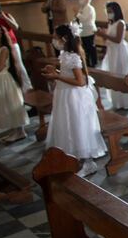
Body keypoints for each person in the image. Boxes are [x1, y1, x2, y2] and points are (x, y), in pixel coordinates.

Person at [43, 23, 107, 177]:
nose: (53, 40)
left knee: (78, 127)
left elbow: (80, 81)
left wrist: (57, 76)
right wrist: (56, 71)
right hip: (65, 94)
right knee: (68, 126)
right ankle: (74, 159)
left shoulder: (72, 56)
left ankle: (88, 163)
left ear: (64, 38)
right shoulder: (65, 54)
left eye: (55, 38)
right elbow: (69, 75)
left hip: (74, 96)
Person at [0, 25, 28, 143]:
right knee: (4, 105)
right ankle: (15, 131)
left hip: (5, 80)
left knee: (10, 104)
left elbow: (0, 66)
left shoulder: (4, 49)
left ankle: (20, 131)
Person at [96, 1, 128, 109]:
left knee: (121, 73)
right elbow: (107, 39)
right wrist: (102, 34)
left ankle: (126, 102)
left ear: (116, 11)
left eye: (110, 11)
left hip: (120, 52)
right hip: (112, 52)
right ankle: (117, 102)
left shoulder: (120, 23)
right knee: (113, 74)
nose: (109, 14)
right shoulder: (111, 23)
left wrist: (104, 34)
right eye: (107, 12)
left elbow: (117, 40)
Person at [75, 0, 97, 67]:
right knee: (85, 48)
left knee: (90, 47)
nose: (80, 0)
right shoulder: (82, 8)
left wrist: (77, 13)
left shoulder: (89, 8)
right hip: (83, 31)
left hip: (89, 30)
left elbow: (84, 18)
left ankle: (93, 63)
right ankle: (87, 63)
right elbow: (79, 19)